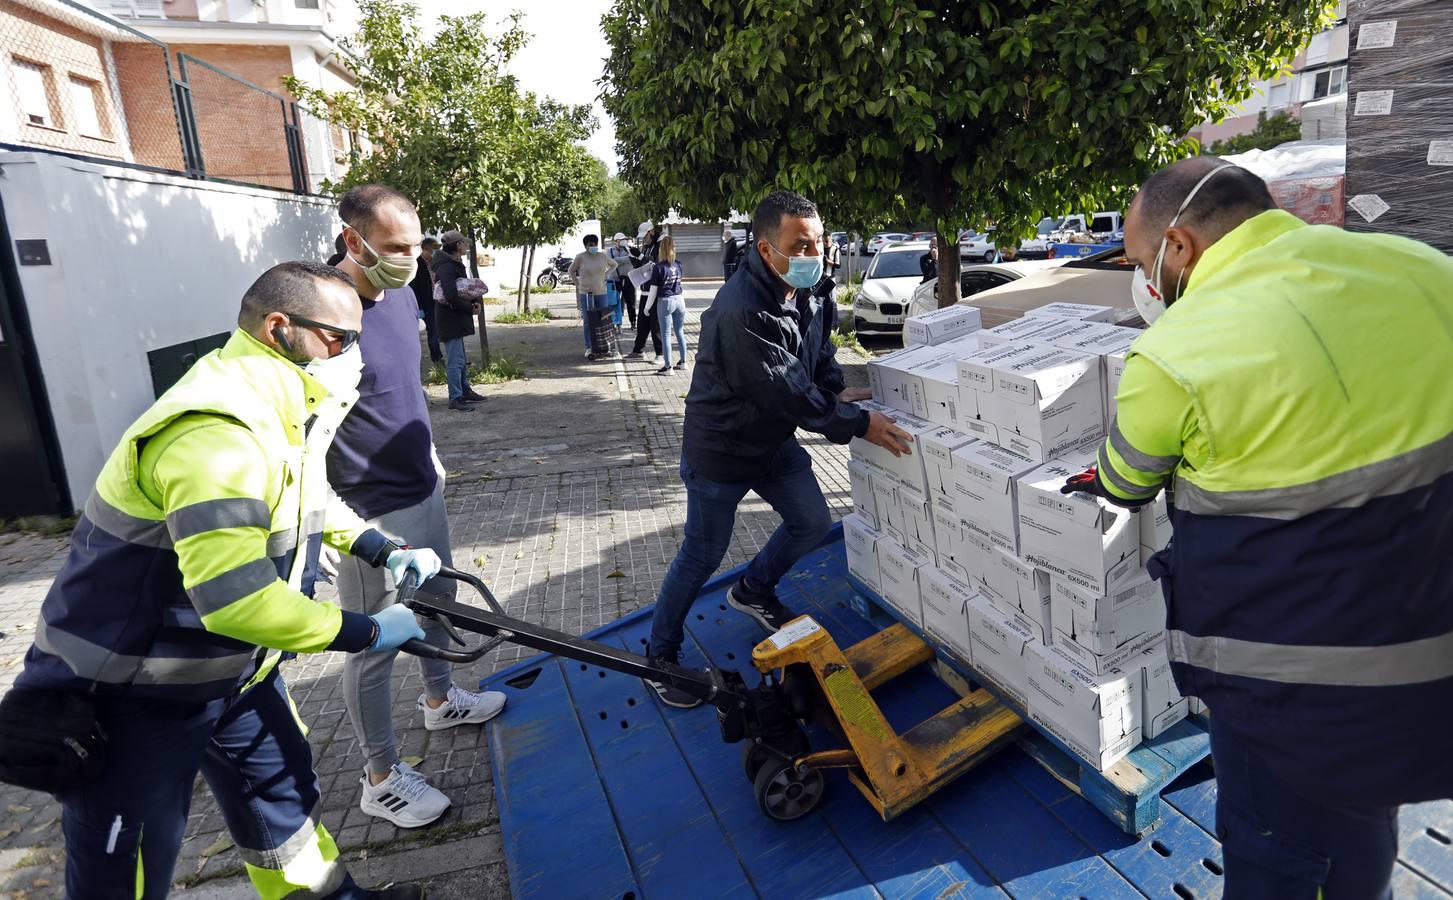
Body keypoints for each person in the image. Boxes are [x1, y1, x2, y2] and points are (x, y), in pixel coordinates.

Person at [1067, 156, 1453, 898]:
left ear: (1177, 248)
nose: (1145, 284)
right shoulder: (1421, 269)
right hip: (1427, 659)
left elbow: (1121, 482)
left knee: (1283, 855)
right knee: (1362, 819)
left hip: (1298, 690)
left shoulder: (1176, 353)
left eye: (1143, 262)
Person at [2, 261, 433, 899]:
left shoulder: (280, 411)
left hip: (233, 676)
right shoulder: (215, 433)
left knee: (282, 803)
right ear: (279, 328)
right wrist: (367, 630)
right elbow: (237, 602)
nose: (351, 356)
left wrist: (383, 547)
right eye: (339, 339)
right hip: (130, 697)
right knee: (127, 866)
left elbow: (309, 499)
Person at [641, 190, 913, 707]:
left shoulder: (810, 292)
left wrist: (834, 387)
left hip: (771, 442)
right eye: (801, 246)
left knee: (811, 521)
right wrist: (858, 423)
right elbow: (786, 391)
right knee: (701, 553)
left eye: (818, 243)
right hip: (721, 450)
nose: (814, 255)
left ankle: (754, 589)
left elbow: (818, 354)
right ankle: (660, 655)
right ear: (767, 250)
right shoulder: (740, 311)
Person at [330, 185, 506, 830]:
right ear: (354, 241)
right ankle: (380, 777)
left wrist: (429, 455)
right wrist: (332, 529)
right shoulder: (325, 312)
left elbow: (403, 387)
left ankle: (440, 700)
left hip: (418, 484)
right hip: (367, 510)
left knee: (438, 602)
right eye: (395, 247)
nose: (411, 257)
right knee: (374, 641)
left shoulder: (403, 295)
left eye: (417, 244)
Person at [432, 230, 486, 412]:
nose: (466, 246)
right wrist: (470, 308)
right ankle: (455, 397)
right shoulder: (447, 266)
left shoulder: (453, 263)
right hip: (450, 319)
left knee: (460, 359)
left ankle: (464, 391)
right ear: (457, 246)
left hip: (455, 318)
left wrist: (474, 302)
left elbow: (463, 289)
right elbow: (451, 295)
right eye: (464, 243)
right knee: (455, 361)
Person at [568, 234, 615, 359]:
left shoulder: (602, 256)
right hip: (586, 294)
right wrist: (577, 284)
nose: (593, 247)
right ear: (586, 245)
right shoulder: (580, 257)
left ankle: (606, 346)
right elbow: (571, 270)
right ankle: (589, 347)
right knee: (588, 321)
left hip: (602, 292)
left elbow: (614, 264)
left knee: (604, 319)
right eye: (591, 244)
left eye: (595, 244)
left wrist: (607, 274)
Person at [648, 235, 688, 374]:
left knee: (665, 334)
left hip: (665, 301)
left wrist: (647, 308)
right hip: (679, 300)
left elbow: (653, 291)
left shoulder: (658, 267)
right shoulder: (679, 264)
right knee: (680, 332)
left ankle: (668, 367)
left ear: (661, 249)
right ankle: (684, 362)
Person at [410, 236, 442, 364]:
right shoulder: (417, 265)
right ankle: (437, 358)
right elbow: (414, 288)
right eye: (433, 249)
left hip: (440, 301)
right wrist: (419, 307)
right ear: (425, 249)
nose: (435, 252)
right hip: (427, 304)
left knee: (441, 329)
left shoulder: (436, 263)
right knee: (433, 331)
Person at [607, 232, 638, 329]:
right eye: (621, 240)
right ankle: (616, 323)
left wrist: (617, 260)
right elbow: (610, 263)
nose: (624, 241)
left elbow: (631, 260)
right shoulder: (609, 251)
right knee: (614, 302)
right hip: (614, 280)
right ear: (616, 241)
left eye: (624, 239)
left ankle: (633, 322)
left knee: (630, 302)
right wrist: (622, 260)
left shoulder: (629, 249)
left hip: (628, 279)